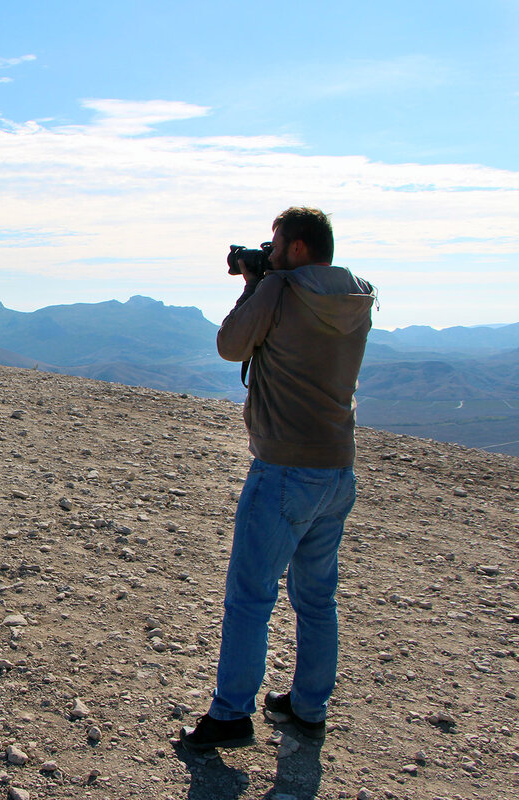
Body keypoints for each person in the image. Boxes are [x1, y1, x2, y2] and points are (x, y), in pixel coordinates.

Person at [181, 207, 376, 750]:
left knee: (250, 593)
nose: (268, 252)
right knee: (316, 597)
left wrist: (254, 286)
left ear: (295, 249)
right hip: (338, 467)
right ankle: (310, 706)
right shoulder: (357, 296)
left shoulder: (281, 288)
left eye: (275, 244)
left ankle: (231, 714)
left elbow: (230, 345)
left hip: (284, 467)